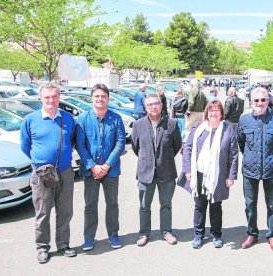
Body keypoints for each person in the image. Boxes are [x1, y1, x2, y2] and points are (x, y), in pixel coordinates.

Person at [20, 82, 77, 264]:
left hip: (65, 172)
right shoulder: (30, 120)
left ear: (59, 98)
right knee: (43, 213)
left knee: (65, 211)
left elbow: (73, 141)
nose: (51, 100)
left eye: (54, 96)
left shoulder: (67, 118)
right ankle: (42, 247)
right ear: (41, 98)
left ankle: (63, 244)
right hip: (42, 174)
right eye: (47, 97)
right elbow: (25, 146)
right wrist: (40, 163)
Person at [178, 100, 238, 249]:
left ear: (221, 113)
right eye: (211, 110)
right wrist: (187, 170)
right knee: (199, 205)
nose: (213, 113)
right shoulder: (198, 127)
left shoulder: (228, 129)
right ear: (207, 113)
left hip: (219, 174)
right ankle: (198, 234)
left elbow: (234, 154)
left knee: (216, 205)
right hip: (198, 173)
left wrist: (231, 176)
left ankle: (216, 234)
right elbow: (188, 148)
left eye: (217, 110)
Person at [75, 84, 126, 251]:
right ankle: (89, 238)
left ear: (108, 98)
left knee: (112, 203)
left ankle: (113, 234)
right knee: (90, 205)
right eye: (96, 96)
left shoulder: (116, 118)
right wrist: (92, 166)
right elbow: (80, 145)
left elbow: (120, 143)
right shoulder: (83, 119)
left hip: (111, 170)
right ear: (92, 98)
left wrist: (106, 165)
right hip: (91, 171)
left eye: (103, 96)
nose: (100, 99)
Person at [131, 93, 183, 247]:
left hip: (166, 171)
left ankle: (166, 231)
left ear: (161, 105)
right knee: (144, 206)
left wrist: (162, 159)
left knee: (166, 204)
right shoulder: (138, 124)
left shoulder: (172, 124)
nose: (153, 107)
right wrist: (149, 160)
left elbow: (176, 145)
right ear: (146, 107)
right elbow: (136, 147)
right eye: (150, 105)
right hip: (145, 172)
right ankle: (144, 233)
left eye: (156, 103)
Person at [237, 87, 273, 251]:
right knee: (250, 204)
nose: (260, 103)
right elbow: (241, 143)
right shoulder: (244, 121)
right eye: (256, 100)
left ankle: (272, 235)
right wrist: (250, 157)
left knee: (272, 205)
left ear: (268, 101)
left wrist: (272, 158)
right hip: (250, 170)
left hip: (272, 170)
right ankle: (252, 233)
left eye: (263, 100)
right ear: (251, 102)